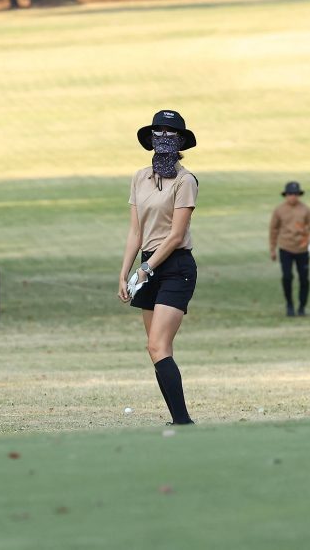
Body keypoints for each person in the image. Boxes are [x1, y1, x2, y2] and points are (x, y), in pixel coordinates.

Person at [118, 110, 199, 425]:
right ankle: (179, 420)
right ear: (151, 140)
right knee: (157, 349)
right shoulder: (140, 178)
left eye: (170, 133)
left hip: (175, 266)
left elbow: (176, 235)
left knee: (157, 344)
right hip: (148, 265)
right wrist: (124, 272)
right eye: (158, 132)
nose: (163, 137)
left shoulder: (185, 180)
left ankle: (183, 421)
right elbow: (135, 232)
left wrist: (147, 268)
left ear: (180, 141)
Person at [269, 181, 310, 316]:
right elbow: (273, 230)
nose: (293, 197)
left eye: (295, 194)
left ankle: (302, 307)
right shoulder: (279, 210)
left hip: (302, 249)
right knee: (287, 276)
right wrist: (272, 249)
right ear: (286, 195)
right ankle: (289, 305)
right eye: (290, 194)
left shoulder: (306, 210)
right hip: (285, 247)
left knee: (304, 278)